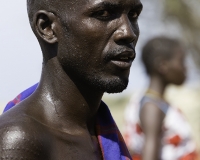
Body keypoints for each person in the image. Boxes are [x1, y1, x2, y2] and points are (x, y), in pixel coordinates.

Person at [0, 0, 143, 159]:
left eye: (133, 15)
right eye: (103, 14)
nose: (128, 32)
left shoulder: (96, 132)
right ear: (47, 27)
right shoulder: (20, 142)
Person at [123, 36, 198, 160]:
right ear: (163, 65)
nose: (185, 68)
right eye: (181, 61)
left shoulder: (156, 103)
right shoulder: (151, 107)